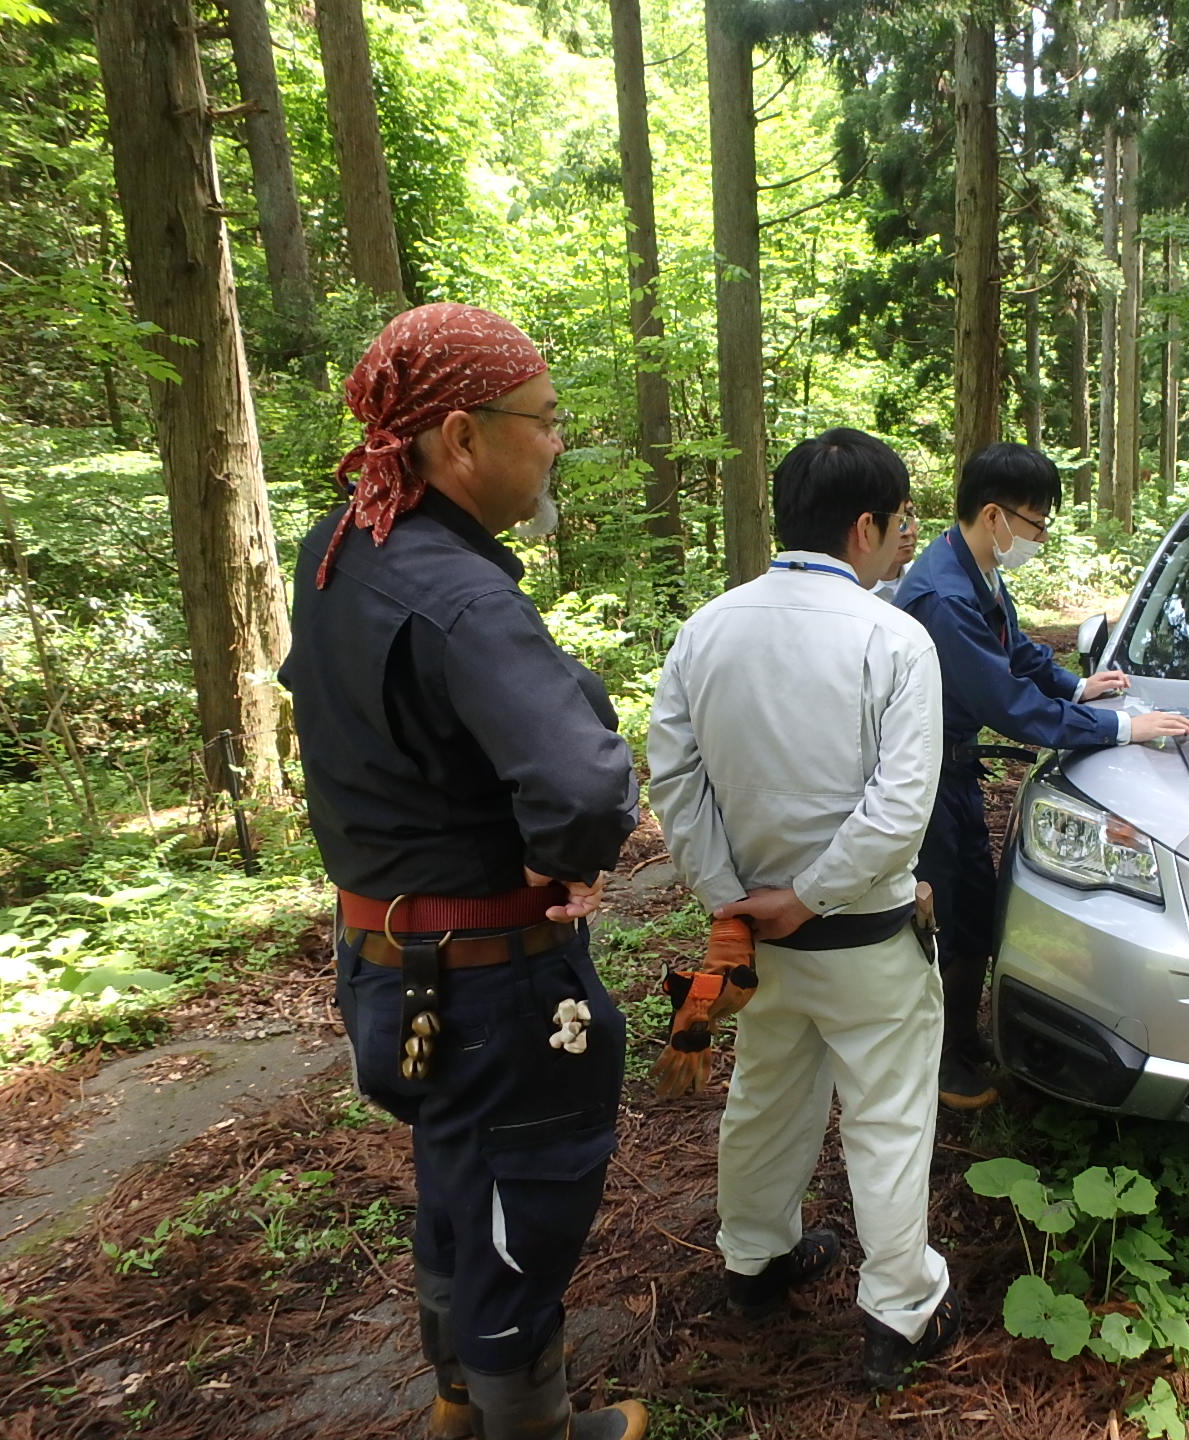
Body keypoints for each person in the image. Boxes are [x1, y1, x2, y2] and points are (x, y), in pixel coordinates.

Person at [280, 303, 646, 1440]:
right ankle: (524, 1427)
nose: (556, 443)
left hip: (387, 958)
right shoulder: (464, 595)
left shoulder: (344, 545)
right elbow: (582, 785)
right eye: (543, 421)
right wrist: (572, 862)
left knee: (460, 1170)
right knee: (524, 1193)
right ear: (460, 435)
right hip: (489, 980)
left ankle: (458, 1398)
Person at [648, 428, 958, 1390]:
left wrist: (733, 899)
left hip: (756, 945)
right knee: (889, 1117)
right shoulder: (893, 637)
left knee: (767, 1094)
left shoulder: (708, 629)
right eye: (902, 521)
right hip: (863, 939)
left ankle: (754, 1258)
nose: (906, 539)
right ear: (865, 525)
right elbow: (900, 806)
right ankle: (899, 1313)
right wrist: (809, 896)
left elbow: (674, 777)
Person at [893, 443, 1189, 1108]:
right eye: (1036, 523)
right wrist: (1121, 727)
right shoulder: (943, 594)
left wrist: (1077, 686)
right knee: (943, 912)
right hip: (925, 781)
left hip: (952, 770)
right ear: (995, 515)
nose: (1040, 537)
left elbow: (1017, 650)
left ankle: (962, 1040)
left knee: (972, 907)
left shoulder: (974, 569)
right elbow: (1007, 704)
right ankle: (939, 1062)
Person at [869, 499, 918, 604]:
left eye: (910, 516)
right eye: (898, 520)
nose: (908, 532)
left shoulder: (923, 578)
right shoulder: (851, 589)